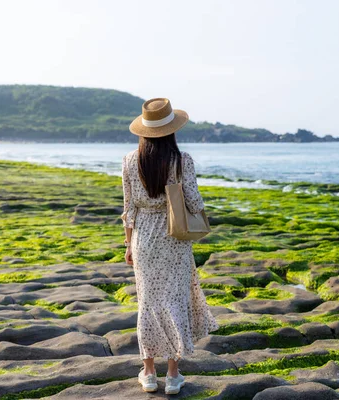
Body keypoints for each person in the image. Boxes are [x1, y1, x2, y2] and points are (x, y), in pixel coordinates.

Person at [121, 98, 218, 395]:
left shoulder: (128, 160)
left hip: (143, 240)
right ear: (171, 130)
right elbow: (194, 202)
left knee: (147, 304)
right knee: (175, 301)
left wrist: (128, 244)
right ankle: (173, 376)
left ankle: (148, 373)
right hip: (174, 238)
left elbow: (129, 208)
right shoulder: (182, 160)